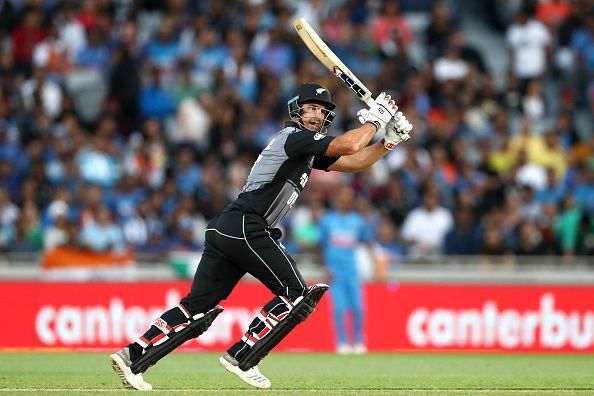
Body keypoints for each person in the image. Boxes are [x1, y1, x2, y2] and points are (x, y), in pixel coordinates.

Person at [109, 82, 412, 390]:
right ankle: (243, 357)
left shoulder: (306, 150)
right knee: (297, 295)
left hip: (227, 228)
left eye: (322, 112)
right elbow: (349, 145)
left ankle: (133, 356)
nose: (317, 116)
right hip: (246, 225)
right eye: (311, 109)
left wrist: (388, 141)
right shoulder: (295, 138)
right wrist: (377, 118)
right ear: (296, 110)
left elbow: (354, 161)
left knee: (197, 308)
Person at [319, 184, 373, 354]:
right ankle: (341, 342)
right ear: (337, 199)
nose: (346, 199)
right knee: (340, 309)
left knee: (358, 308)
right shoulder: (327, 220)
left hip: (352, 271)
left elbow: (366, 242)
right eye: (343, 195)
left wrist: (375, 263)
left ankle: (358, 341)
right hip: (335, 273)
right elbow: (320, 245)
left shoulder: (357, 220)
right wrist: (325, 266)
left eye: (349, 196)